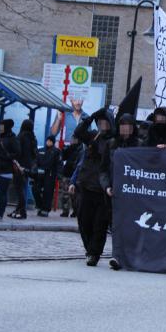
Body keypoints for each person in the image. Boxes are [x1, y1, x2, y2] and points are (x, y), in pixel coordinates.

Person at [70, 109, 113, 266]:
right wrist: (91, 118)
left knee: (99, 224)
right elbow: (78, 132)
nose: (102, 125)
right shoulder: (93, 135)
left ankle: (94, 253)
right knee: (84, 220)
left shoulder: (112, 140)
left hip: (101, 188)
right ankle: (89, 249)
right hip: (86, 185)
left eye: (105, 122)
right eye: (100, 122)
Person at [101, 112, 142, 271]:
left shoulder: (139, 144)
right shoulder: (111, 144)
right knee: (116, 225)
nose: (125, 129)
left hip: (133, 192)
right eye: (122, 126)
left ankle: (130, 256)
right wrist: (107, 186)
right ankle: (117, 256)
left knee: (132, 225)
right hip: (115, 191)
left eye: (128, 126)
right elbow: (103, 169)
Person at [9, 119, 37, 219]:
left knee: (19, 189)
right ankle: (18, 210)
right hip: (27, 168)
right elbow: (34, 154)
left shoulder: (21, 136)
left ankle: (22, 211)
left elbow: (17, 151)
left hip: (19, 166)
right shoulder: (33, 138)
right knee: (22, 188)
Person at [34, 135, 62, 217]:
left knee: (48, 192)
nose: (48, 142)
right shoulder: (40, 150)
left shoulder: (56, 152)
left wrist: (58, 175)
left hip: (50, 174)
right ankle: (39, 206)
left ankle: (45, 209)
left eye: (50, 141)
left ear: (53, 142)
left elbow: (59, 164)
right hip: (39, 174)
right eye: (47, 140)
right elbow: (35, 161)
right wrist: (34, 169)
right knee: (35, 189)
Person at [59, 135, 82, 217]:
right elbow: (63, 157)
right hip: (67, 173)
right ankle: (65, 211)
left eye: (74, 139)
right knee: (65, 194)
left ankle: (75, 211)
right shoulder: (69, 148)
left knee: (74, 195)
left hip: (74, 175)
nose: (72, 140)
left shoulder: (80, 150)